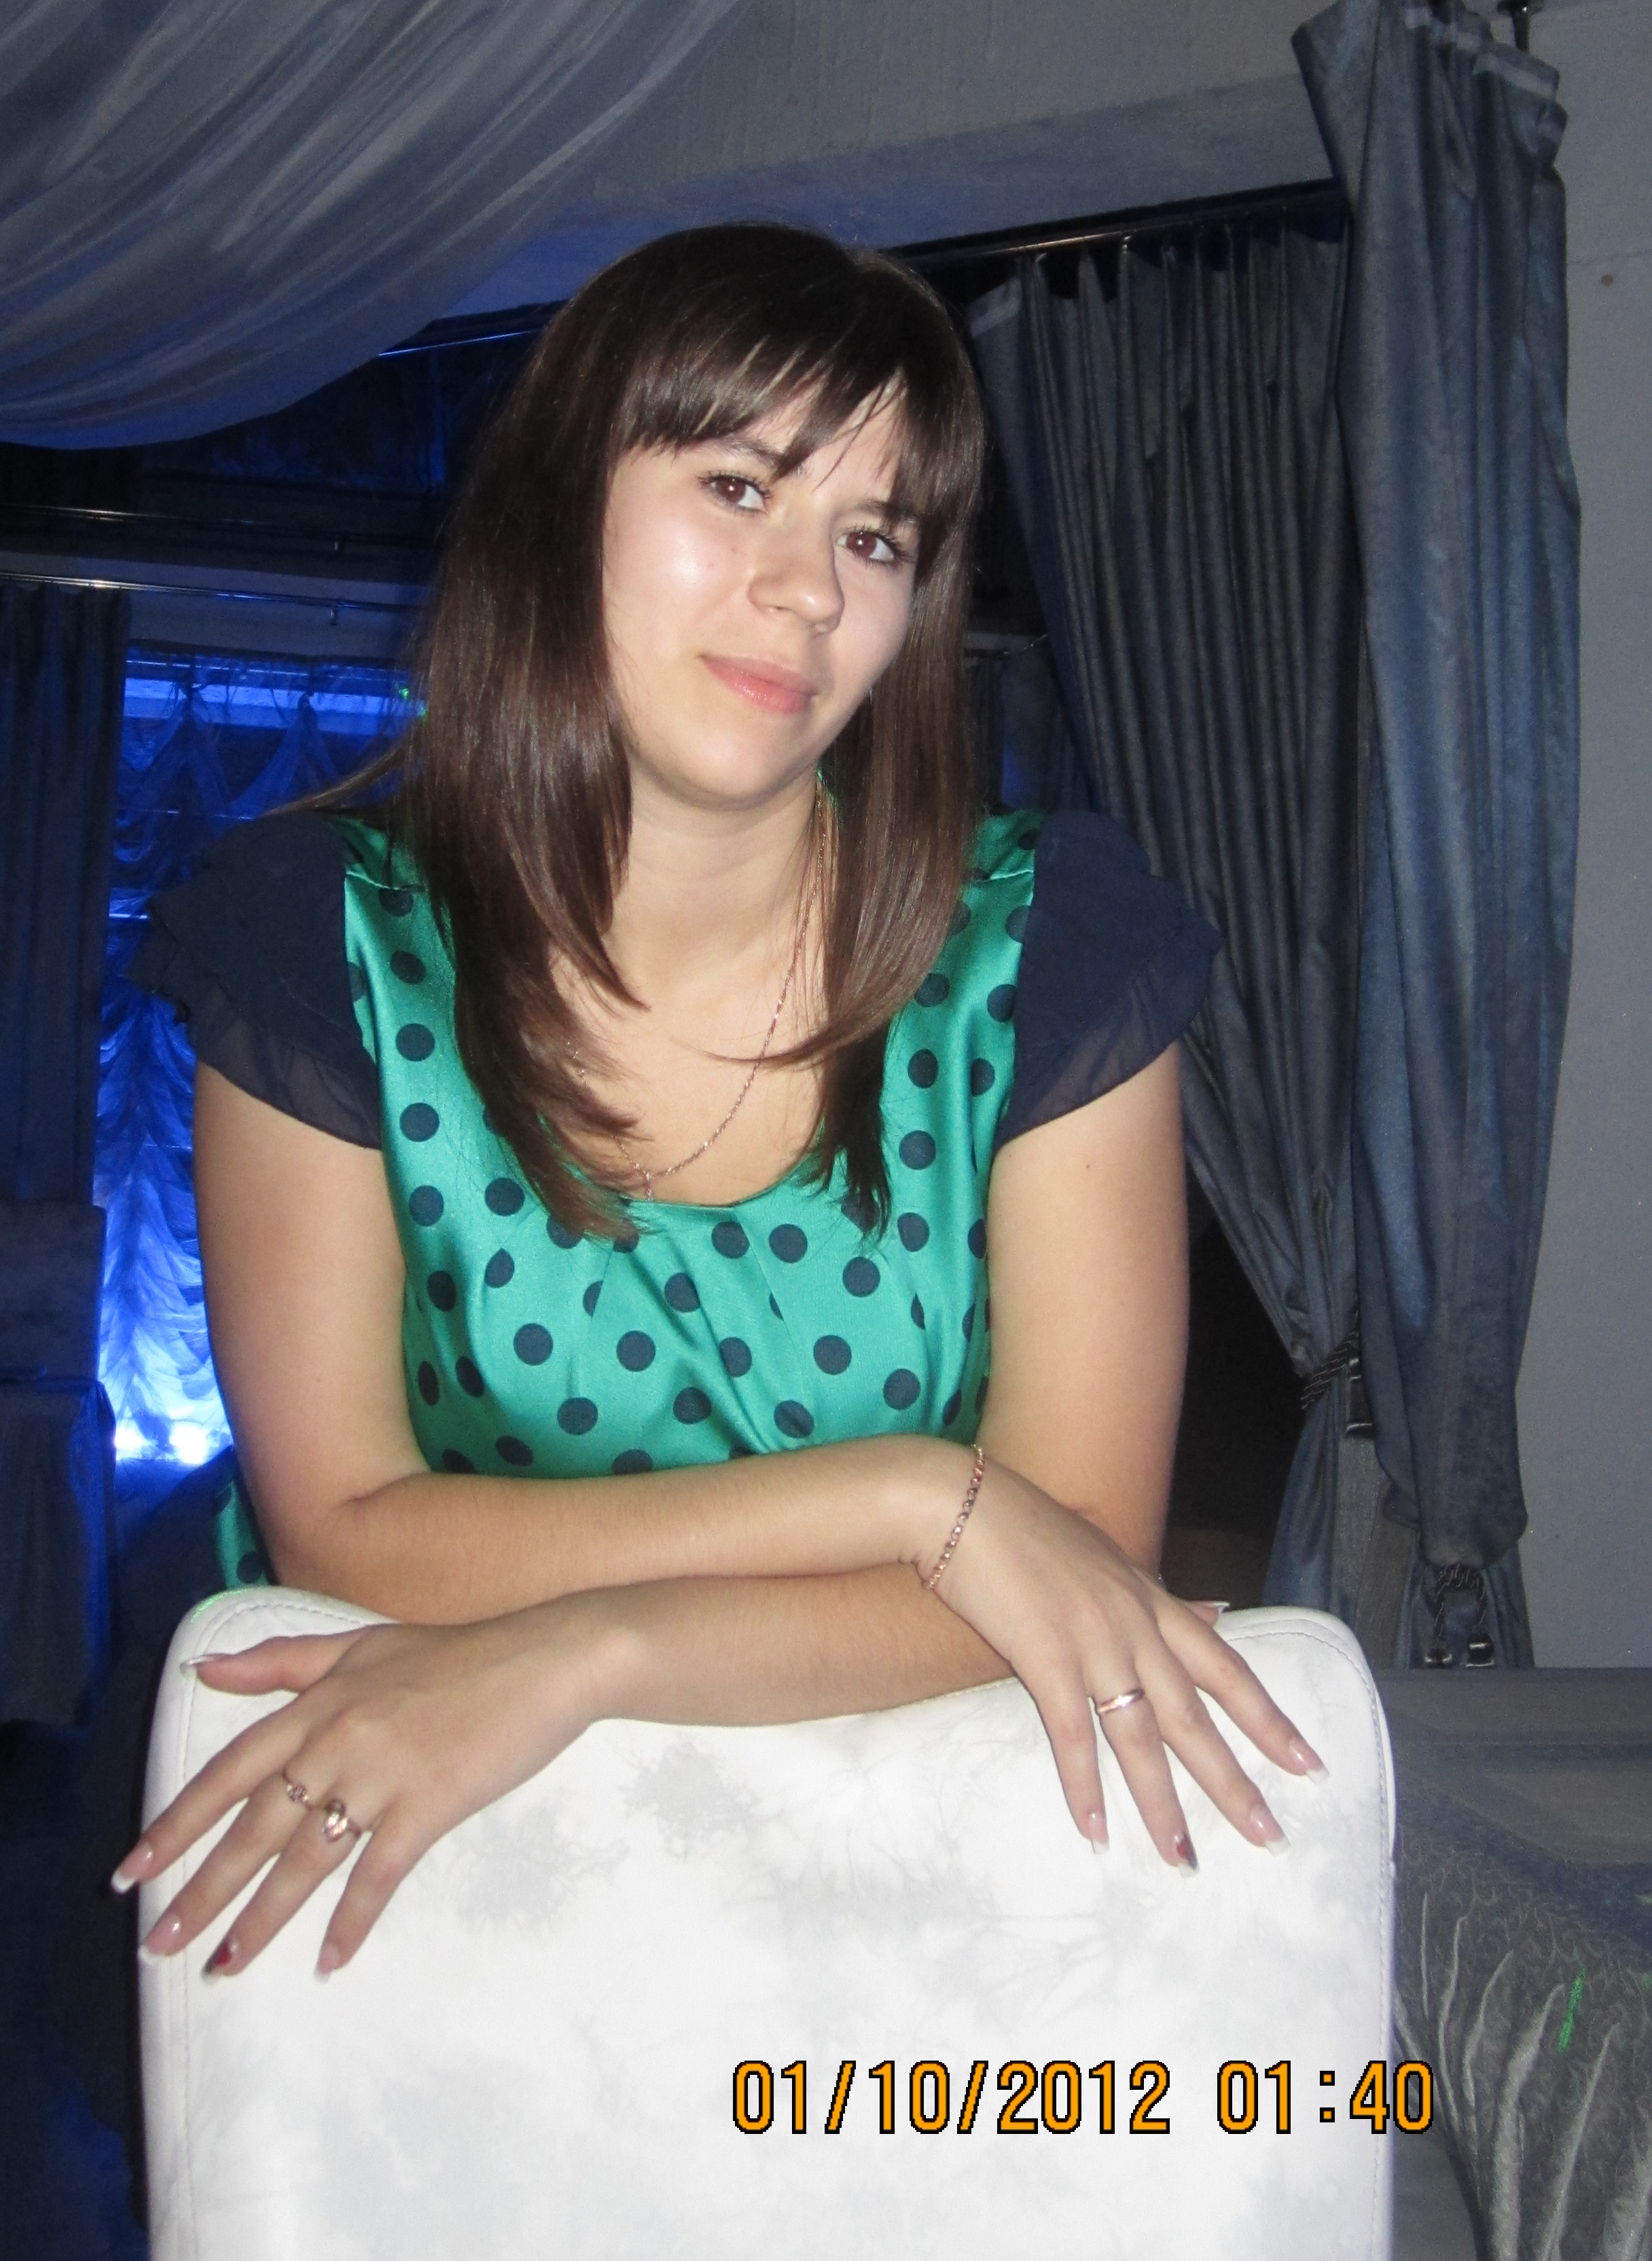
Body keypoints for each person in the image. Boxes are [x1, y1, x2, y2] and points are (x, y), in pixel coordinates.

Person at [113, 223, 1321, 1984]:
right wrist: (915, 1501)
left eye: (874, 536)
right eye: (741, 487)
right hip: (434, 1890)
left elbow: (1070, 1571)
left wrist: (591, 1652)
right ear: (558, 510)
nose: (812, 591)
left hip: (912, 1919)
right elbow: (350, 1534)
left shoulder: (1046, 957)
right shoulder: (324, 952)